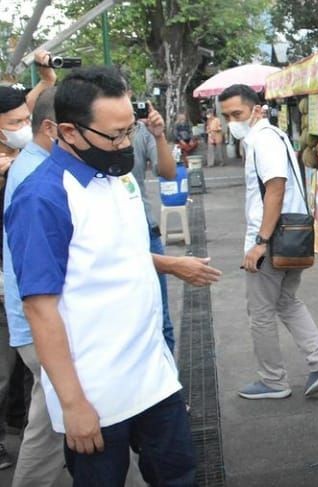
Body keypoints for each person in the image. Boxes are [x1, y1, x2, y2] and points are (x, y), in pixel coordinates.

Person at [5, 66, 209, 485]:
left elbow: (117, 255)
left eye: (128, 131)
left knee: (179, 476)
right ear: (68, 131)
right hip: (95, 394)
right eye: (114, 135)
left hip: (154, 378)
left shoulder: (119, 179)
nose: (124, 144)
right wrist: (73, 404)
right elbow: (40, 309)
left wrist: (170, 264)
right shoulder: (44, 196)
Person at [218, 84, 318, 399]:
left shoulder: (262, 140)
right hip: (290, 237)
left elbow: (275, 189)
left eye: (237, 114)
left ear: (256, 109)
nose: (233, 121)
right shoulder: (275, 137)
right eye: (227, 116)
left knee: (260, 311)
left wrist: (260, 242)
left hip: (272, 240)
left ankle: (273, 381)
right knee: (286, 301)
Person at [0, 49, 56, 470]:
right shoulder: (27, 175)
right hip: (27, 313)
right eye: (14, 124)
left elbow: (37, 97)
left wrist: (45, 77)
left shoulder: (24, 163)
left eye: (25, 120)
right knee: (48, 414)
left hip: (25, 311)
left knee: (49, 411)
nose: (22, 127)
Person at [132, 103, 178, 352]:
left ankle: (169, 385)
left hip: (145, 227)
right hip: (111, 234)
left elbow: (168, 172)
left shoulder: (141, 131)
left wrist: (159, 135)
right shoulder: (88, 135)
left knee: (161, 316)